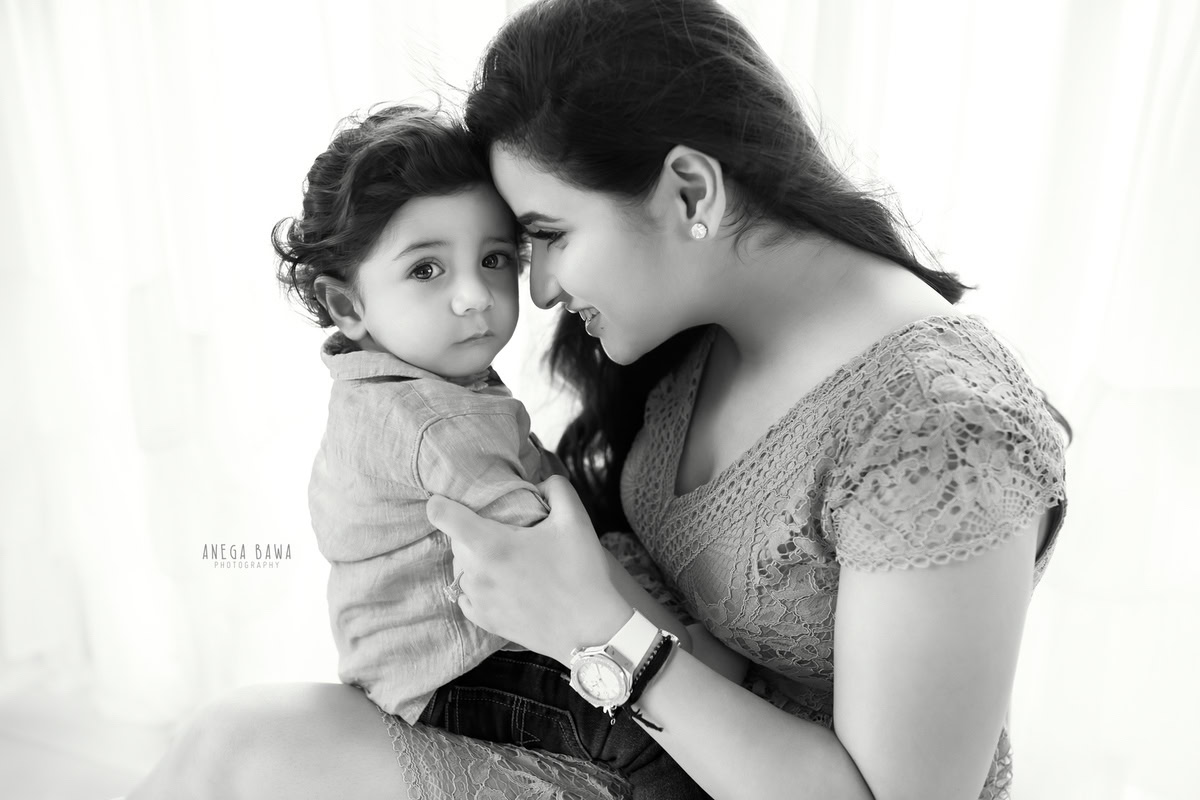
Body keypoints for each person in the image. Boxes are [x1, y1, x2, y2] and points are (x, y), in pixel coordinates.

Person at [126, 1, 1067, 798]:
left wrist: (603, 631)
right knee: (225, 744)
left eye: (543, 235)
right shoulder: (697, 331)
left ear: (688, 189)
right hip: (635, 732)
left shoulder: (943, 430)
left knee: (240, 755)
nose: (530, 292)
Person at [269, 103, 716, 799]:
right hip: (457, 672)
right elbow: (557, 566)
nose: (475, 295)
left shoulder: (391, 381)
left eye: (495, 258)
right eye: (426, 270)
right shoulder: (432, 419)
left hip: (408, 662)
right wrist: (691, 656)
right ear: (347, 305)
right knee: (663, 741)